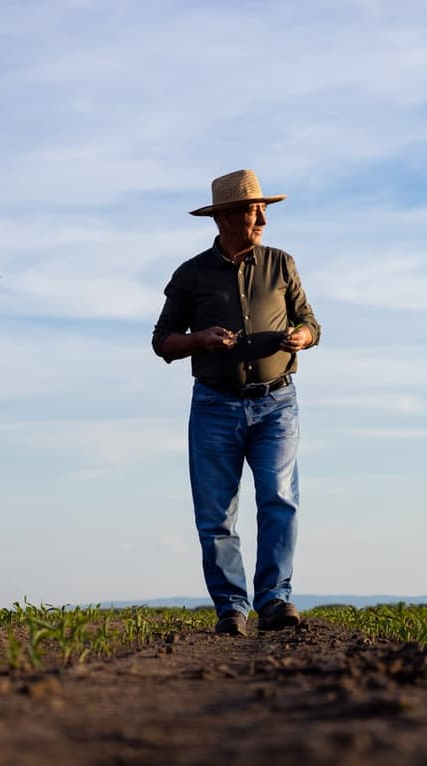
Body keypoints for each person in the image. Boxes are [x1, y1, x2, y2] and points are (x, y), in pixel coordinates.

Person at [152, 169, 321, 636]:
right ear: (224, 217)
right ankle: (231, 607)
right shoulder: (190, 275)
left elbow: (311, 321)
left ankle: (275, 600)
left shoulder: (282, 264)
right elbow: (162, 341)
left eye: (262, 208)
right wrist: (200, 340)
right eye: (252, 209)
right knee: (215, 514)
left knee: (279, 498)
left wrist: (303, 336)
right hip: (214, 406)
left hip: (277, 403)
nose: (262, 216)